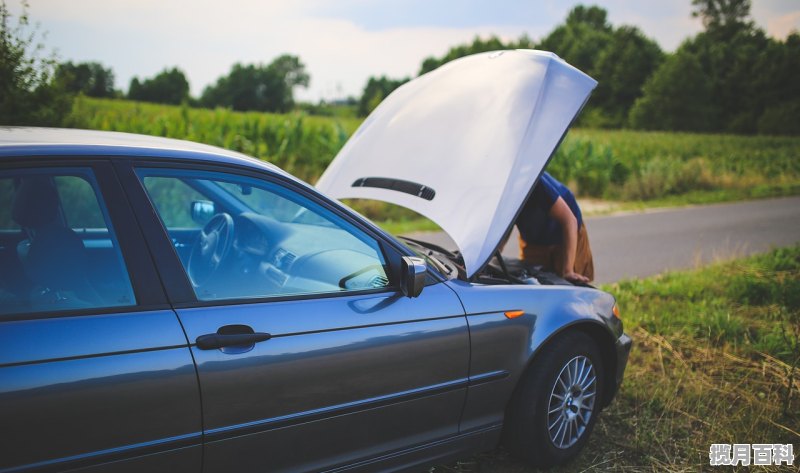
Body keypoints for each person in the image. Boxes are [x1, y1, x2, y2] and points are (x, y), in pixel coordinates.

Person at [514, 172, 594, 283]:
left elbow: (569, 221)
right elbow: (503, 227)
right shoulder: (497, 191)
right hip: (534, 239)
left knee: (570, 283)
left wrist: (568, 270)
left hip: (566, 232)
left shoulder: (534, 182)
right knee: (531, 282)